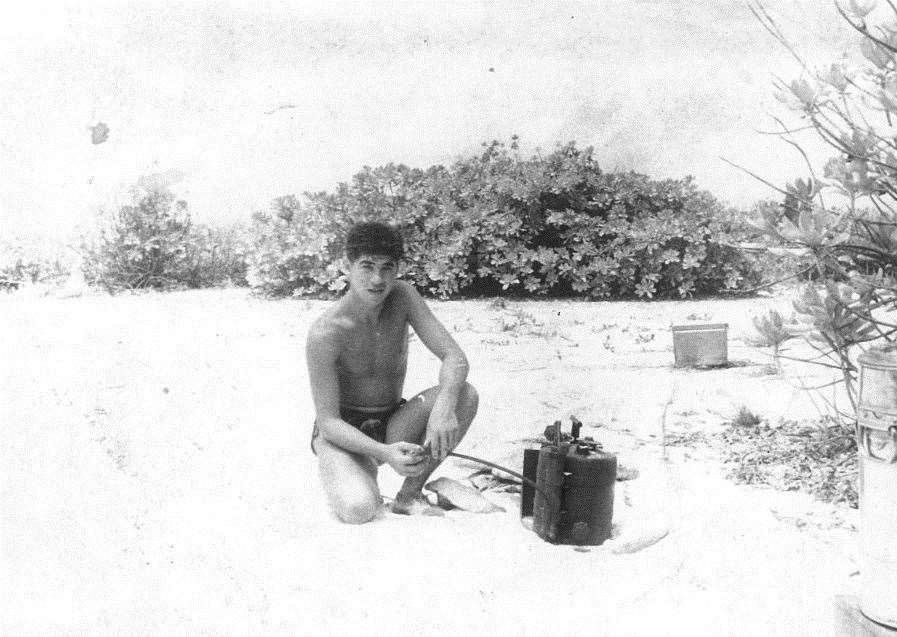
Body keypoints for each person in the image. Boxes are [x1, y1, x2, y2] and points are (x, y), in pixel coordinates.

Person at [306, 221, 479, 523]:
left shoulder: (402, 297)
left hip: (393, 421)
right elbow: (328, 421)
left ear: (398, 269)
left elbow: (454, 357)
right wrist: (383, 453)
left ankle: (408, 495)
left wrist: (444, 407)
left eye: (388, 267)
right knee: (358, 509)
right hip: (343, 432)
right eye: (367, 266)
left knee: (465, 393)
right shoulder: (325, 332)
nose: (377, 279)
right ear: (347, 266)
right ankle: (354, 469)